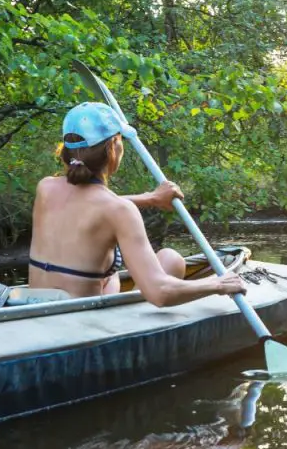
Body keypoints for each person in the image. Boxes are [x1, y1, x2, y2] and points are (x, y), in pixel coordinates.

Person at [27, 101, 247, 306]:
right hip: (80, 317)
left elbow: (88, 207)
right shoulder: (119, 211)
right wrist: (218, 284)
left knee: (119, 270)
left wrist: (150, 198)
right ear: (114, 146)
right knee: (170, 260)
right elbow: (159, 294)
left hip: (35, 305)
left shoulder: (45, 187)